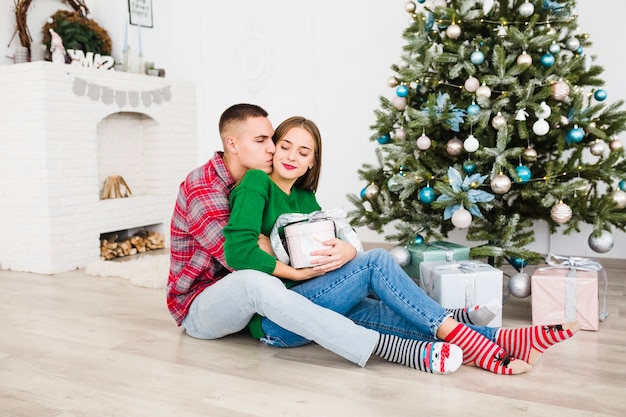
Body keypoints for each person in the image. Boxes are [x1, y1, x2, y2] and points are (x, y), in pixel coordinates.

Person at [223, 115, 581, 375]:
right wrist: (295, 272)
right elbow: (238, 252)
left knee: (376, 310)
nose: (292, 156)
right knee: (377, 262)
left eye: (304, 152)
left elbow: (337, 248)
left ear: (313, 161)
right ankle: (471, 339)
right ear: (273, 149)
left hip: (317, 305)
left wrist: (348, 252)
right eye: (285, 146)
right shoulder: (257, 183)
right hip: (277, 322)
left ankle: (495, 340)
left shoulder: (306, 199)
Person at [168, 103, 463, 375]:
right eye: (264, 142)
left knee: (360, 289)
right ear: (232, 144)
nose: (273, 149)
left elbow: (307, 246)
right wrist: (294, 265)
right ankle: (388, 346)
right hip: (201, 303)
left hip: (258, 304)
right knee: (256, 281)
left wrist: (342, 255)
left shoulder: (270, 184)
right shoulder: (204, 187)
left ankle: (465, 331)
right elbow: (239, 257)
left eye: (273, 140)